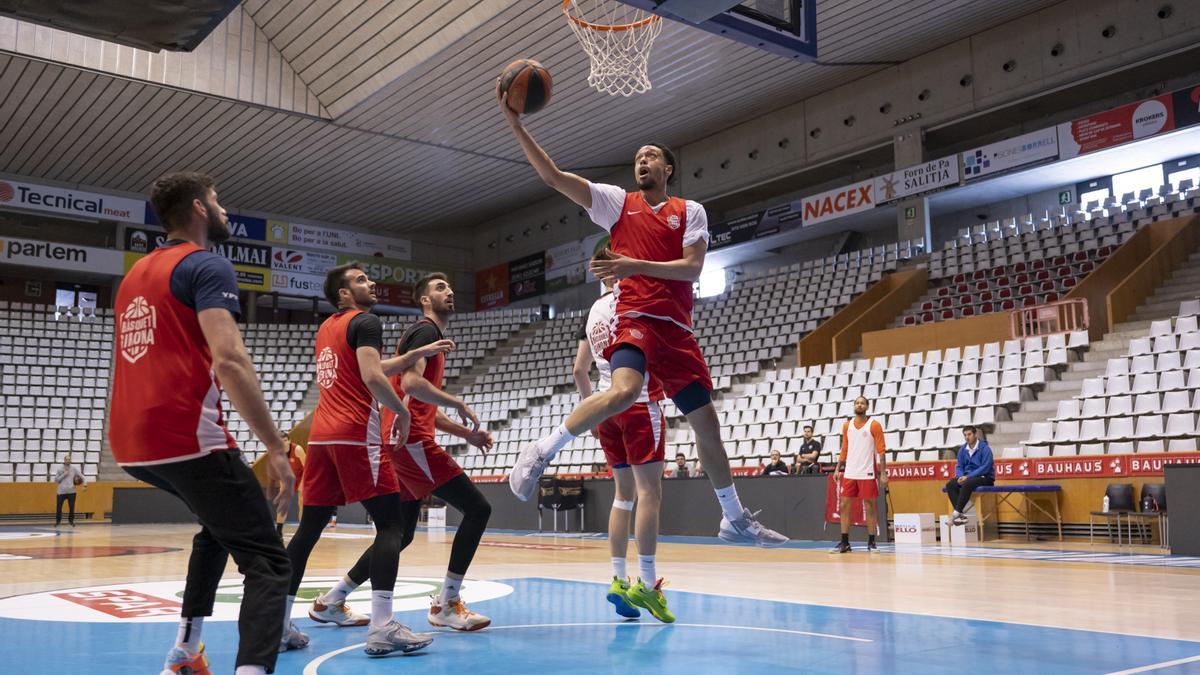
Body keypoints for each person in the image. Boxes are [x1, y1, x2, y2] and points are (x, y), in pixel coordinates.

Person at [501, 94, 786, 547]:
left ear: (667, 168)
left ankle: (734, 519)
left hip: (677, 329)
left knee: (706, 424)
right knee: (625, 389)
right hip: (635, 319)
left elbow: (692, 269)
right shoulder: (617, 204)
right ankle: (541, 451)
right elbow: (553, 178)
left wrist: (634, 265)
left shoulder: (689, 211)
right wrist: (516, 125)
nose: (642, 161)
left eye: (651, 156)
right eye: (637, 158)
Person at [109, 172, 295, 675]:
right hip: (185, 435)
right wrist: (276, 447)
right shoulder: (205, 265)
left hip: (130, 444)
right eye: (218, 200)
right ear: (198, 207)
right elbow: (230, 360)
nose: (225, 210)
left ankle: (186, 651)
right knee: (270, 563)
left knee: (216, 529)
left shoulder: (134, 276)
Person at [283, 263, 449, 658]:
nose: (370, 284)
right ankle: (381, 626)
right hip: (357, 434)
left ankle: (277, 622)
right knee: (392, 527)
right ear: (343, 292)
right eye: (360, 280)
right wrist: (404, 413)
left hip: (322, 437)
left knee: (307, 531)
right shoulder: (367, 321)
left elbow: (368, 369)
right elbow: (374, 380)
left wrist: (416, 352)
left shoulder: (328, 328)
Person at [380, 272, 495, 632]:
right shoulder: (426, 332)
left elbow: (422, 404)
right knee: (478, 508)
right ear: (425, 300)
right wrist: (457, 401)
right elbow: (412, 383)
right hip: (410, 439)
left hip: (404, 436)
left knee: (402, 532)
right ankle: (446, 602)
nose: (450, 292)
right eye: (440, 287)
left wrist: (466, 434)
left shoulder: (430, 337)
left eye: (450, 285)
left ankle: (335, 597)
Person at [573, 272, 674, 623]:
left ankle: (617, 580)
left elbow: (578, 370)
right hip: (639, 403)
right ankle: (647, 583)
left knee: (622, 496)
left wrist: (591, 411)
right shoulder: (633, 303)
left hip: (605, 407)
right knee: (650, 493)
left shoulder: (593, 311)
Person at [830, 396, 888, 555]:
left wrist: (883, 473)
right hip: (850, 472)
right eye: (856, 403)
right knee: (843, 506)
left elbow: (881, 450)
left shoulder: (874, 425)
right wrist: (837, 469)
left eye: (862, 403)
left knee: (869, 506)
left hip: (867, 472)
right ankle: (845, 542)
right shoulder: (847, 425)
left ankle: (871, 542)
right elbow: (844, 448)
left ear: (867, 406)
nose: (859, 405)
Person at [946, 426, 995, 525]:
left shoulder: (985, 449)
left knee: (968, 483)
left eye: (969, 434)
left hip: (985, 478)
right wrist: (960, 476)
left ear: (975, 434)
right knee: (950, 484)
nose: (967, 437)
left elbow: (985, 467)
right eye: (965, 435)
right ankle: (961, 516)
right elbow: (959, 466)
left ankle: (956, 513)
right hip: (968, 477)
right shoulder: (963, 449)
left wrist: (968, 476)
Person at [53, 454, 86, 527]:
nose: (68, 461)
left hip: (72, 492)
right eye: (67, 459)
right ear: (64, 461)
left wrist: (85, 485)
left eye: (69, 459)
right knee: (59, 508)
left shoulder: (74, 469)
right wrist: (64, 474)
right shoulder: (60, 469)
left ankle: (71, 521)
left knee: (72, 507)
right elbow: (56, 480)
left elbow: (83, 477)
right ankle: (58, 522)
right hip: (61, 492)